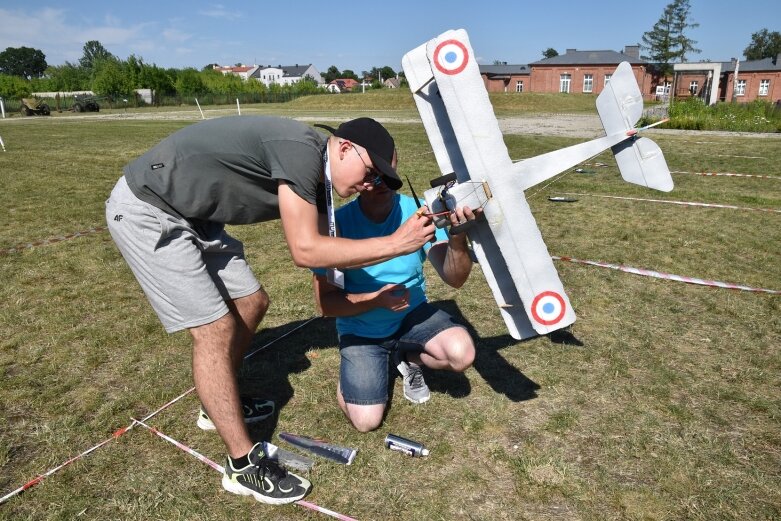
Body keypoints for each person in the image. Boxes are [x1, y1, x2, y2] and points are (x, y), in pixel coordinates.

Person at [105, 116, 435, 504]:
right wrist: (396, 244)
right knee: (214, 330)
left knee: (252, 302)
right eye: (371, 172)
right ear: (345, 148)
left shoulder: (322, 182)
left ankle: (217, 406)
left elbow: (329, 255)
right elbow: (305, 250)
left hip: (196, 217)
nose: (370, 184)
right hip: (151, 207)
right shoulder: (302, 151)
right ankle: (242, 465)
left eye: (380, 180)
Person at [312, 160, 477, 433]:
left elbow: (454, 278)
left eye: (388, 175)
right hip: (361, 330)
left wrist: (458, 238)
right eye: (371, 177)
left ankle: (409, 358)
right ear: (355, 182)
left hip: (412, 317)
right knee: (366, 422)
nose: (381, 183)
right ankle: (355, 373)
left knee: (461, 354)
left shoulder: (418, 212)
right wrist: (375, 300)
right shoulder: (337, 226)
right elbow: (326, 304)